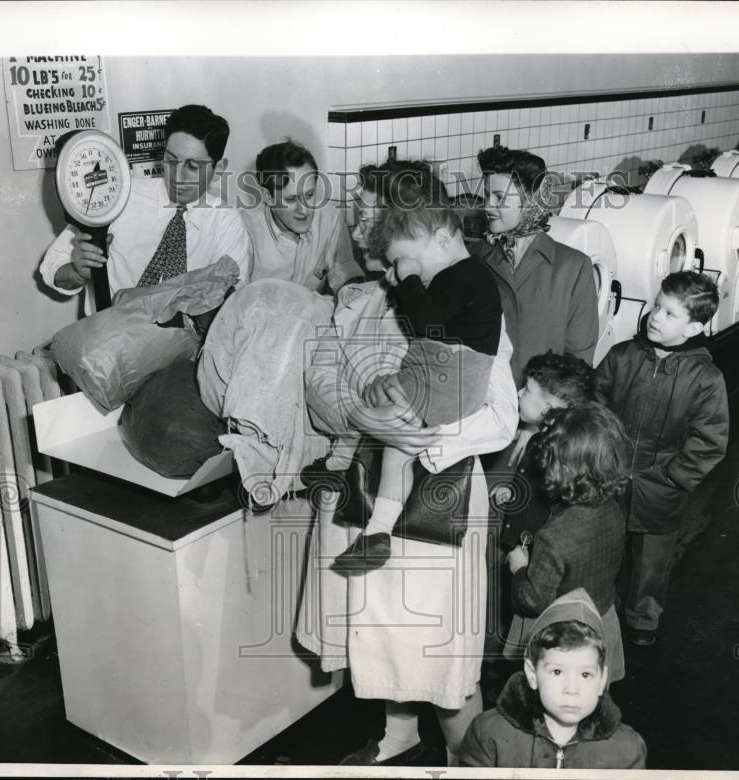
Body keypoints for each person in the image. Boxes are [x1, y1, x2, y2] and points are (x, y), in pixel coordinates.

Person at [295, 160, 518, 767]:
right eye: (362, 215)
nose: (366, 227)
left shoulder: (465, 295)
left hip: (434, 501)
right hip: (360, 493)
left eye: (378, 215)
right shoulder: (355, 301)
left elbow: (501, 412)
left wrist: (428, 440)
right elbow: (320, 388)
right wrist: (361, 417)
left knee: (436, 653)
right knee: (381, 639)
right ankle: (397, 737)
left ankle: (466, 759)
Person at [331, 203, 503, 571]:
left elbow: (427, 324)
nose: (396, 273)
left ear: (441, 239)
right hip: (443, 376)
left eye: (403, 261)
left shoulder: (466, 275)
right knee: (394, 445)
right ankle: (378, 533)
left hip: (448, 376)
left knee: (383, 415)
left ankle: (342, 473)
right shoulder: (459, 277)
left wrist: (409, 281)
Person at [596, 270, 729, 647]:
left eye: (670, 314)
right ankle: (597, 610)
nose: (655, 316)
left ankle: (642, 618)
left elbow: (710, 440)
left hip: (661, 488)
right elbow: (596, 401)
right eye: (657, 306)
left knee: (650, 561)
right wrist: (601, 455)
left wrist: (673, 477)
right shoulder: (623, 356)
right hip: (611, 475)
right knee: (604, 546)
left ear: (693, 328)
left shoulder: (705, 378)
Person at [39, 104, 251, 312]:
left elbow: (232, 303)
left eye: (193, 167)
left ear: (219, 169)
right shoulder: (119, 196)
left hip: (186, 341)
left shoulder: (226, 222)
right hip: (107, 337)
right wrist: (77, 272)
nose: (177, 177)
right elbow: (52, 271)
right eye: (171, 160)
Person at [502, 402, 631, 685]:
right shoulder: (613, 506)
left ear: (560, 468)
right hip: (600, 616)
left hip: (562, 632)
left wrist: (520, 569)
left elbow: (534, 600)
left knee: (555, 693)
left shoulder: (554, 536)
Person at [485, 351, 598, 659]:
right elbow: (536, 488)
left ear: (549, 409)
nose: (519, 393)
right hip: (519, 545)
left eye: (527, 390)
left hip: (537, 558)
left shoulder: (562, 457)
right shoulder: (541, 438)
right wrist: (514, 494)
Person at [459, 588, 647, 769]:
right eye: (557, 672)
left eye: (585, 674)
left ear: (602, 680)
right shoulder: (489, 734)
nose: (572, 689)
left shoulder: (627, 750)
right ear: (532, 674)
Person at [472, 145, 599, 383]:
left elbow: (578, 360)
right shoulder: (476, 259)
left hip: (543, 409)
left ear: (530, 199)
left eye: (499, 197)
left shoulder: (573, 268)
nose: (487, 206)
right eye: (487, 195)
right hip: (485, 404)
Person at [243, 139, 364, 294]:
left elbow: (347, 276)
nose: (304, 210)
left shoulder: (331, 219)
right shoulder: (245, 230)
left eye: (309, 195)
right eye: (291, 199)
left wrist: (352, 294)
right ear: (268, 196)